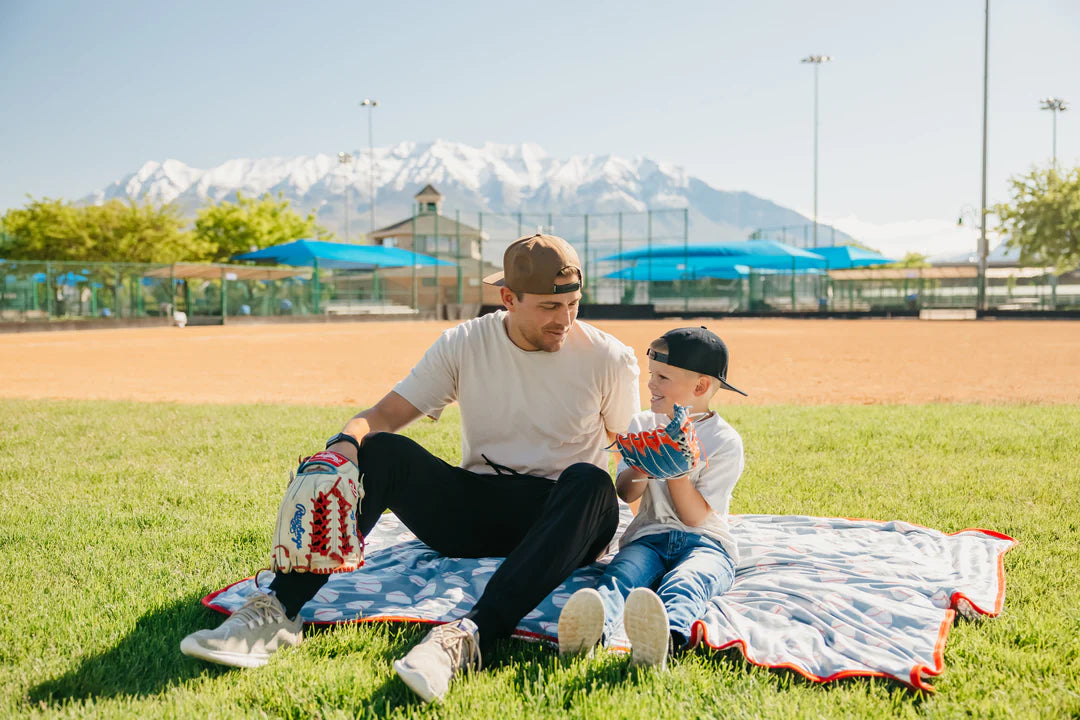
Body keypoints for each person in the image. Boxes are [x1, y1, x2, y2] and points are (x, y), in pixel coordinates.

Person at [180, 233, 640, 703]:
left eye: (573, 304)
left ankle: (468, 637)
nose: (564, 319)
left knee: (591, 481)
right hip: (475, 512)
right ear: (507, 298)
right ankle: (279, 610)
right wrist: (340, 449)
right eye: (548, 307)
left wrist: (650, 471)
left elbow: (628, 477)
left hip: (564, 519)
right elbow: (377, 419)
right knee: (379, 449)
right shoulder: (465, 343)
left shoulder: (609, 358)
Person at [557, 326, 746, 669]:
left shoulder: (724, 441)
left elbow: (694, 518)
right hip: (649, 536)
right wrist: (644, 467)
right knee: (622, 576)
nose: (650, 384)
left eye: (662, 377)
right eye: (651, 374)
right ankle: (590, 632)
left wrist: (677, 472)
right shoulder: (642, 423)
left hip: (706, 542)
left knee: (688, 581)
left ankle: (665, 641)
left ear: (700, 387)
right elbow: (625, 491)